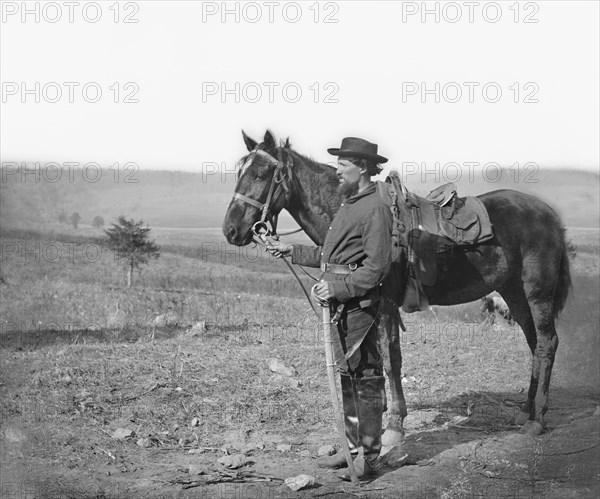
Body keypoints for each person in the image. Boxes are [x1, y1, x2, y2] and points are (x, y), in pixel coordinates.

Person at [267, 137, 393, 479]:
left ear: (363, 167)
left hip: (359, 306)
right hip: (342, 303)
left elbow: (377, 267)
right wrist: (290, 250)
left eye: (343, 164)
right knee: (348, 373)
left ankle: (367, 456)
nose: (336, 170)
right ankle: (352, 449)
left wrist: (336, 287)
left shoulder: (375, 207)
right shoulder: (351, 203)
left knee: (365, 375)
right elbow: (331, 256)